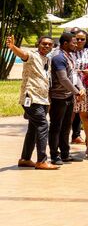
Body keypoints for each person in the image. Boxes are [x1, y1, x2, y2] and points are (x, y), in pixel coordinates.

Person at [7, 35, 59, 169]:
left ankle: (25, 158)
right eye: (44, 44)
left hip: (42, 99)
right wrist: (13, 47)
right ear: (38, 44)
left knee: (33, 128)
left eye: (49, 44)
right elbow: (23, 55)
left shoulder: (47, 59)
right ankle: (42, 160)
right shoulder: (32, 55)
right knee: (43, 125)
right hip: (31, 97)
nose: (47, 46)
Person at [49, 31, 84, 165]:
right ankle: (54, 155)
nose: (77, 45)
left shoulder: (69, 55)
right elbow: (63, 79)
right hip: (59, 97)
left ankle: (65, 153)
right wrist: (76, 92)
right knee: (56, 127)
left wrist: (80, 88)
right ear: (65, 44)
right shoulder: (58, 57)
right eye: (74, 43)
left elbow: (74, 74)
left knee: (66, 126)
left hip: (68, 96)